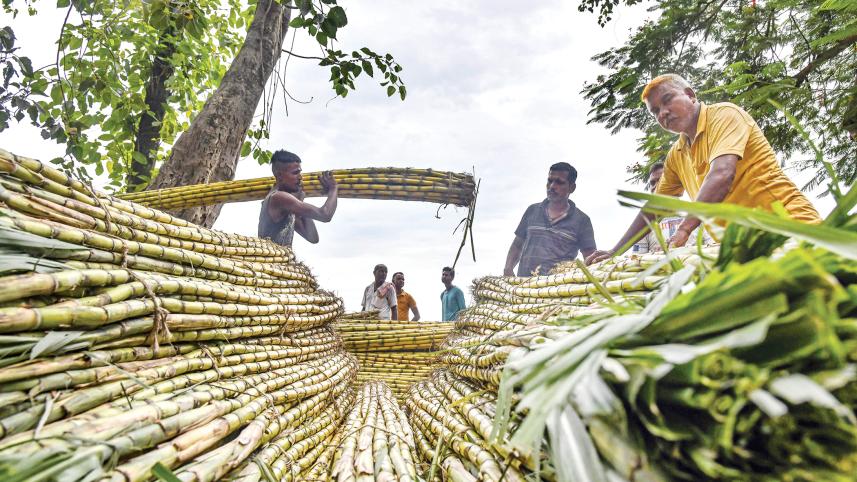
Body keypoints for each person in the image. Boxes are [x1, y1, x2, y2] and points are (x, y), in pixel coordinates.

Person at [586, 74, 821, 265]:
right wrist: (615, 251)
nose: (663, 113)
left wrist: (685, 229)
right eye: (655, 111)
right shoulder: (676, 155)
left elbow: (722, 174)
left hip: (791, 229)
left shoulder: (725, 115)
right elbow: (655, 207)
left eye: (667, 100)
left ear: (690, 95)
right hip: (744, 250)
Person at [504, 162, 597, 276]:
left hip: (558, 285)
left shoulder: (582, 221)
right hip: (522, 284)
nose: (552, 186)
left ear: (572, 188)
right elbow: (517, 245)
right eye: (550, 181)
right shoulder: (532, 210)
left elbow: (590, 257)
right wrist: (508, 268)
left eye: (559, 182)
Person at [258, 150, 338, 246]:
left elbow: (312, 237)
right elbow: (325, 215)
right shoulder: (278, 197)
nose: (300, 177)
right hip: (275, 255)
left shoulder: (284, 205)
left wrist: (300, 202)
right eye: (295, 173)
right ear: (279, 175)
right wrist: (333, 188)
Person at [632, 162, 711, 253]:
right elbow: (636, 258)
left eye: (662, 181)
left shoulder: (697, 215)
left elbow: (713, 250)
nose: (656, 186)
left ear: (676, 184)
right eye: (652, 183)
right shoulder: (644, 224)